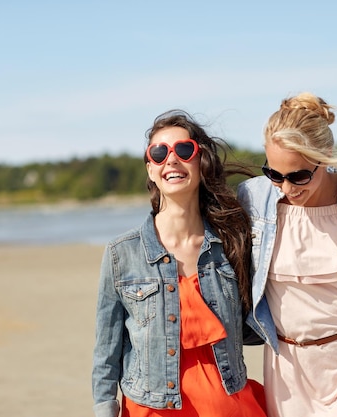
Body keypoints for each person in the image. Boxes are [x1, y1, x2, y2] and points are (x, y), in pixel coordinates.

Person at [91, 110, 267, 417]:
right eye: (159, 153)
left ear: (202, 162)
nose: (171, 159)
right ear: (150, 169)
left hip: (227, 406)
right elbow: (107, 351)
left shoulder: (232, 244)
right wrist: (105, 409)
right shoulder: (122, 253)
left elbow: (260, 322)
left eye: (184, 150)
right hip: (151, 410)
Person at [237, 92, 337, 417]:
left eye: (299, 176)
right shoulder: (253, 197)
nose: (286, 188)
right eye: (274, 174)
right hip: (286, 370)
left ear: (327, 156)